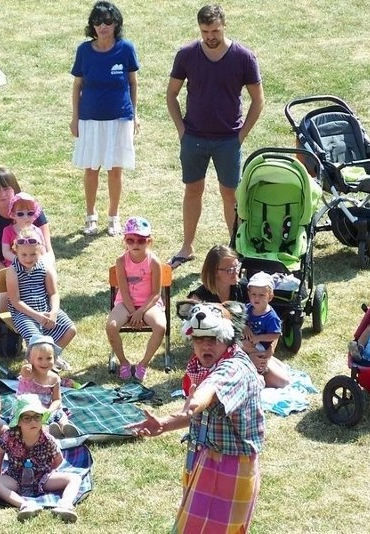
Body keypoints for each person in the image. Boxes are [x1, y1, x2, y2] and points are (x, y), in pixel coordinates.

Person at [130, 301, 264, 533]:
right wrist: (164, 423)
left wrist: (194, 402)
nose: (205, 345)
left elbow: (210, 389)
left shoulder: (234, 368)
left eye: (213, 339)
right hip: (206, 458)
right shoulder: (203, 366)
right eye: (199, 339)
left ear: (228, 338)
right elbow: (199, 410)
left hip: (229, 467)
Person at [166, 4, 265, 269]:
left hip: (228, 140)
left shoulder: (244, 57)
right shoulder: (187, 54)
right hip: (194, 138)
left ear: (224, 26)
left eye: (215, 30)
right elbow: (171, 94)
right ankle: (187, 247)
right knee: (192, 191)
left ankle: (235, 247)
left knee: (230, 195)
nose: (210, 36)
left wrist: (241, 135)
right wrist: (181, 130)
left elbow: (258, 100)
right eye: (205, 31)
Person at [70, 1, 140, 237]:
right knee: (91, 168)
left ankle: (113, 217)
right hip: (90, 118)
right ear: (92, 26)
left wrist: (135, 115)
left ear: (116, 23)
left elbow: (132, 83)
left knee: (115, 170)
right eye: (98, 22)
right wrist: (75, 117)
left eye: (108, 21)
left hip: (120, 118)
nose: (103, 26)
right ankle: (91, 216)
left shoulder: (126, 49)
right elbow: (77, 85)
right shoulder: (84, 51)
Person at [0, 394, 82, 523]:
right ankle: (25, 505)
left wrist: (49, 472)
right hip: (15, 477)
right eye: (27, 418)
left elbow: (58, 459)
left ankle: (65, 504)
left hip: (43, 477)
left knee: (75, 478)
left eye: (37, 417)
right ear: (18, 421)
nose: (33, 421)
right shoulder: (9, 436)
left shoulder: (48, 439)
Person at [0, 167, 55, 300]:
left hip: (36, 264)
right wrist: (14, 275)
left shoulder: (32, 210)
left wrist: (40, 270)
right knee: (5, 292)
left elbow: (48, 249)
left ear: (15, 189)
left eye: (6, 188)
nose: (2, 194)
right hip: (3, 267)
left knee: (47, 282)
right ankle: (1, 320)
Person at [105, 216, 165, 382]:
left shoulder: (154, 262)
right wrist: (133, 313)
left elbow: (156, 294)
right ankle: (123, 362)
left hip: (149, 304)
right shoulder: (121, 261)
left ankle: (143, 363)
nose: (135, 244)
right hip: (126, 303)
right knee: (111, 326)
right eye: (130, 240)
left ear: (149, 241)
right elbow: (123, 291)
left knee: (160, 327)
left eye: (141, 240)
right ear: (125, 241)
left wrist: (140, 312)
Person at [6, 227, 76, 366]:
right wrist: (36, 316)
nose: (28, 258)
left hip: (44, 308)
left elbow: (53, 293)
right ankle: (35, 367)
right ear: (16, 251)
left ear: (39, 251)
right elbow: (15, 300)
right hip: (23, 313)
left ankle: (51, 357)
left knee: (70, 329)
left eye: (33, 254)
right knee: (36, 340)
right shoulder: (13, 271)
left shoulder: (45, 267)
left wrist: (54, 312)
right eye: (24, 254)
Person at [17, 336, 79, 438]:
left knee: (60, 414)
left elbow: (57, 400)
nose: (44, 362)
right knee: (34, 421)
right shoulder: (29, 374)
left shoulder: (54, 378)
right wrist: (26, 368)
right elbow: (23, 372)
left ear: (55, 359)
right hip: (28, 409)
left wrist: (50, 410)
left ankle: (65, 428)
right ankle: (49, 431)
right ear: (30, 359)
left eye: (49, 358)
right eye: (40, 358)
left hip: (47, 409)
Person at [242, 272, 290, 388]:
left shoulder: (271, 317)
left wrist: (259, 338)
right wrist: (245, 326)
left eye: (261, 295)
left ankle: (260, 371)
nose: (256, 298)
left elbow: (275, 335)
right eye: (253, 294)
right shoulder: (247, 308)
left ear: (270, 297)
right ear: (248, 294)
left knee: (260, 359)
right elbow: (236, 318)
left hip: (260, 346)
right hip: (247, 342)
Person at [1, 192, 43, 265]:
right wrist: (20, 260)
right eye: (20, 214)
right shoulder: (8, 231)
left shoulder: (37, 231)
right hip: (14, 265)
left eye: (30, 213)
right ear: (13, 215)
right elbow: (6, 252)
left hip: (34, 264)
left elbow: (42, 249)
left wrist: (38, 260)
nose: (26, 217)